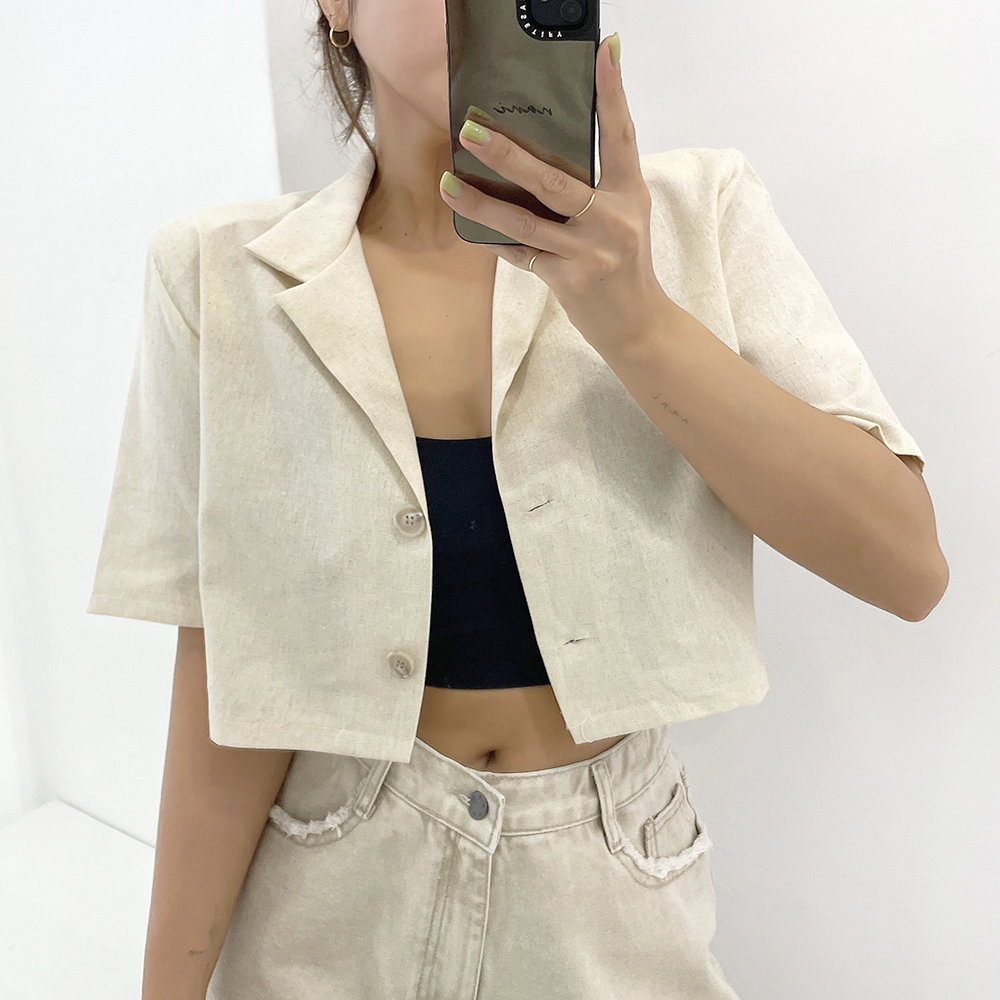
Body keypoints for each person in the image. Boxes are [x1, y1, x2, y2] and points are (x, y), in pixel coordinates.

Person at [86, 2, 948, 998]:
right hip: (328, 888)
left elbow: (907, 568)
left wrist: (638, 321)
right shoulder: (216, 272)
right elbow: (223, 673)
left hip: (608, 891)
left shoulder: (697, 215)